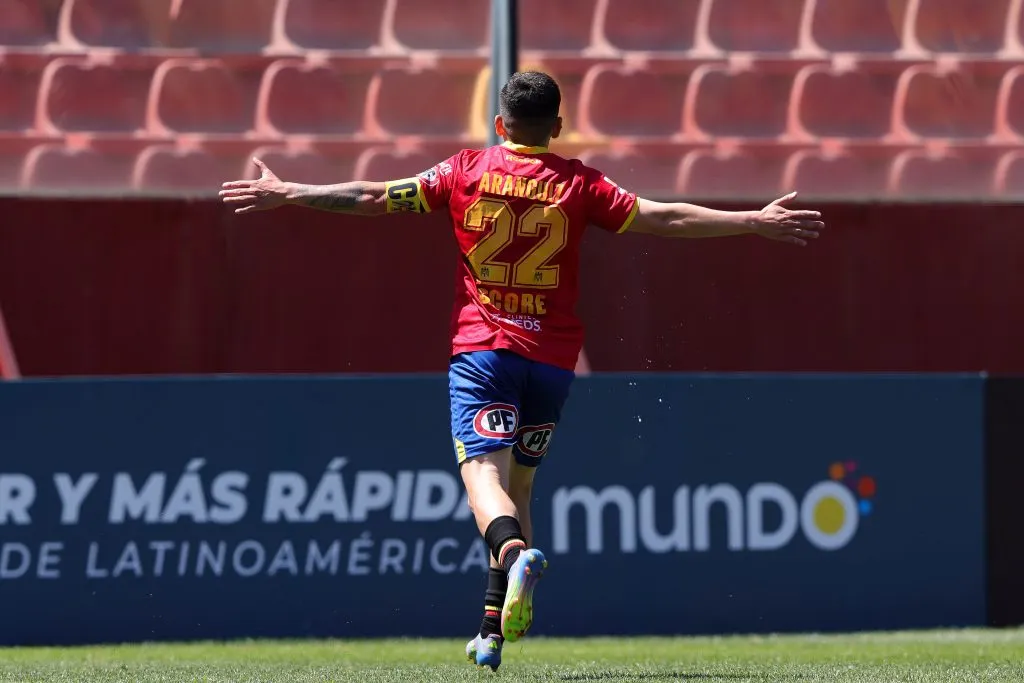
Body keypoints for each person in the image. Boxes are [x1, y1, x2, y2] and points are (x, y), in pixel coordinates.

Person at [219, 71, 824, 671]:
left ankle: (511, 556)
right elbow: (664, 216)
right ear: (557, 127)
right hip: (553, 364)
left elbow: (375, 197)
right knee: (523, 486)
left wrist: (291, 191)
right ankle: (491, 628)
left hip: (484, 353)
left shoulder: (464, 172)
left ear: (500, 124)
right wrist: (752, 220)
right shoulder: (579, 184)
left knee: (482, 474)